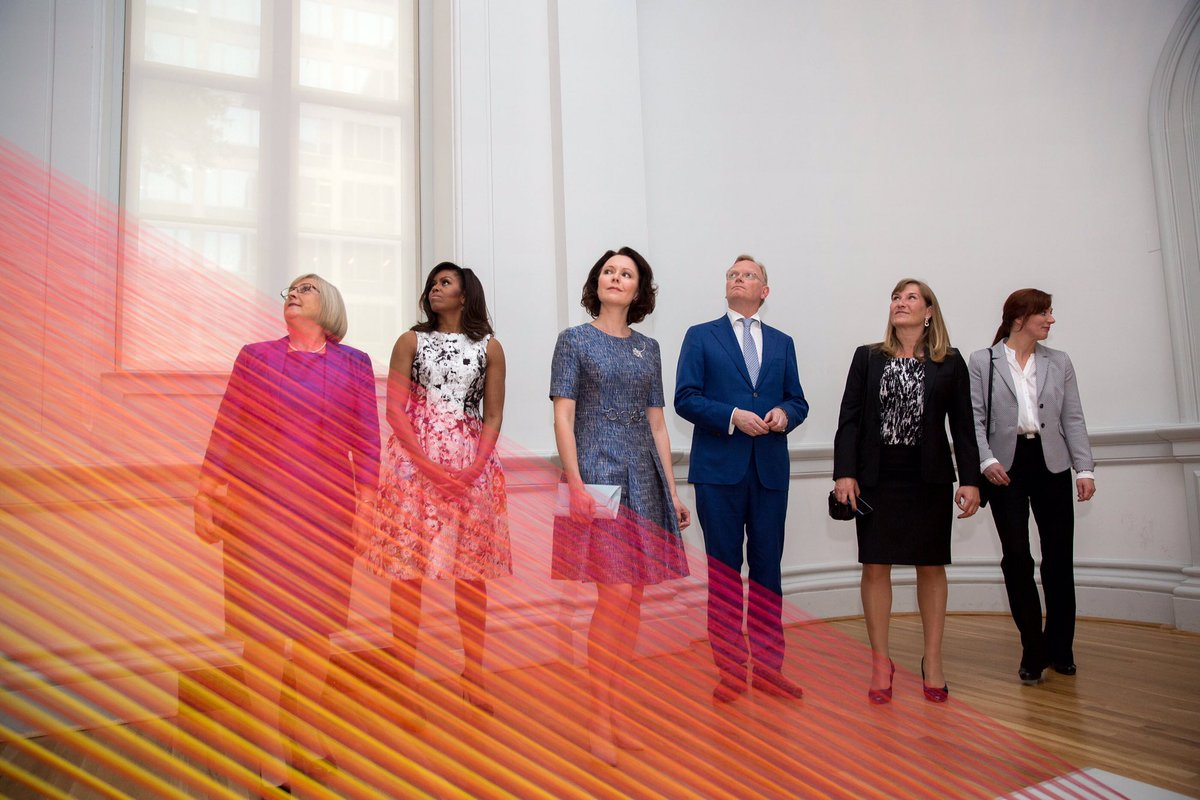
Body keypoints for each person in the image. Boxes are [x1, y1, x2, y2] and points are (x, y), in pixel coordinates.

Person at [195, 274, 380, 797]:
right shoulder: (254, 356)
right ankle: (268, 743)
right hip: (258, 507)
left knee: (316, 625)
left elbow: (367, 440)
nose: (293, 295)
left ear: (330, 307)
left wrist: (367, 509)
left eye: (306, 289)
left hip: (326, 510)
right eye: (290, 291)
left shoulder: (355, 364)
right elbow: (227, 424)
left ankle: (306, 725)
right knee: (263, 627)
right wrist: (205, 492)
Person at [550, 246, 691, 765]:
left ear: (638, 289)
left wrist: (672, 492)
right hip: (597, 477)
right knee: (615, 595)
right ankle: (597, 718)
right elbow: (564, 418)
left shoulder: (649, 349)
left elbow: (657, 423)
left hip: (644, 480)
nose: (616, 277)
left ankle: (614, 710)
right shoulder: (574, 341)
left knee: (633, 600)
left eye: (626, 273)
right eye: (609, 270)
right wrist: (576, 484)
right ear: (598, 282)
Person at [364, 262, 511, 715]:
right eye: (432, 283)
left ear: (466, 295)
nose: (434, 289)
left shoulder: (490, 347)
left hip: (473, 468)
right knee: (409, 573)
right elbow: (394, 411)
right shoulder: (410, 340)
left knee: (470, 576)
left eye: (444, 283)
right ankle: (405, 680)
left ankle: (474, 674)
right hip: (413, 466)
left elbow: (492, 416)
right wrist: (426, 464)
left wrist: (473, 470)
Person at [832, 278, 980, 704]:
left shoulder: (949, 362)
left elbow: (964, 427)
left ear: (929, 311)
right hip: (876, 477)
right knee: (875, 566)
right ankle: (881, 662)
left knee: (931, 566)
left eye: (911, 297)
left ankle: (932, 661)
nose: (901, 303)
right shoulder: (867, 358)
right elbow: (850, 419)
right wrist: (845, 473)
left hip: (928, 478)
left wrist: (970, 479)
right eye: (896, 297)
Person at [674, 255, 809, 704]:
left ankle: (771, 670)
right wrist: (732, 416)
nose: (738, 279)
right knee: (725, 574)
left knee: (768, 573)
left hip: (770, 472)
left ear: (764, 291)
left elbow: (798, 401)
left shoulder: (783, 342)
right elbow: (685, 399)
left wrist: (784, 414)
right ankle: (730, 671)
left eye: (748, 275)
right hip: (718, 473)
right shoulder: (700, 336)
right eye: (732, 274)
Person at [968, 289, 1095, 686]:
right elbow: (973, 418)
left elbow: (1072, 417)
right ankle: (1032, 649)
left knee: (1058, 559)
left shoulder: (1060, 362)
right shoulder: (982, 362)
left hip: (1052, 464)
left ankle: (1061, 648)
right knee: (1017, 560)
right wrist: (985, 461)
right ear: (1019, 318)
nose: (1051, 320)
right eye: (1044, 313)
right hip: (1004, 468)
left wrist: (1084, 469)